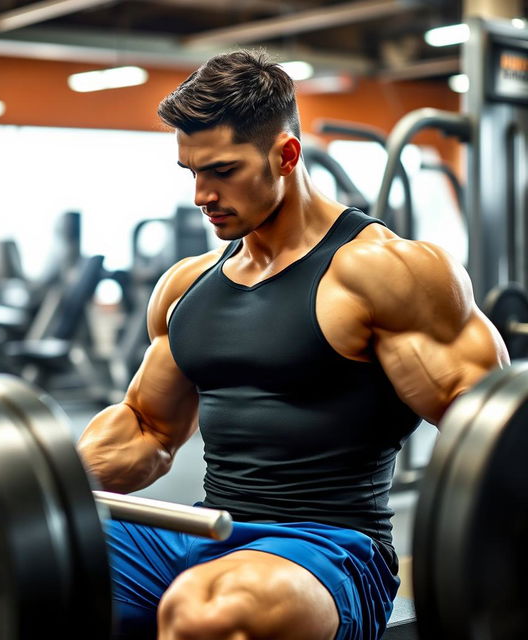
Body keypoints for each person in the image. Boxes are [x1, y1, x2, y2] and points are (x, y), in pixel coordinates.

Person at [78, 50, 508, 640]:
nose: (202, 194)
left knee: (206, 612)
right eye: (192, 173)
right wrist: (46, 479)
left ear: (286, 154)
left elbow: (492, 427)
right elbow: (147, 430)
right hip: (208, 528)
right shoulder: (186, 286)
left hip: (330, 551)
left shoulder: (383, 274)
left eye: (223, 171)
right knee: (23, 559)